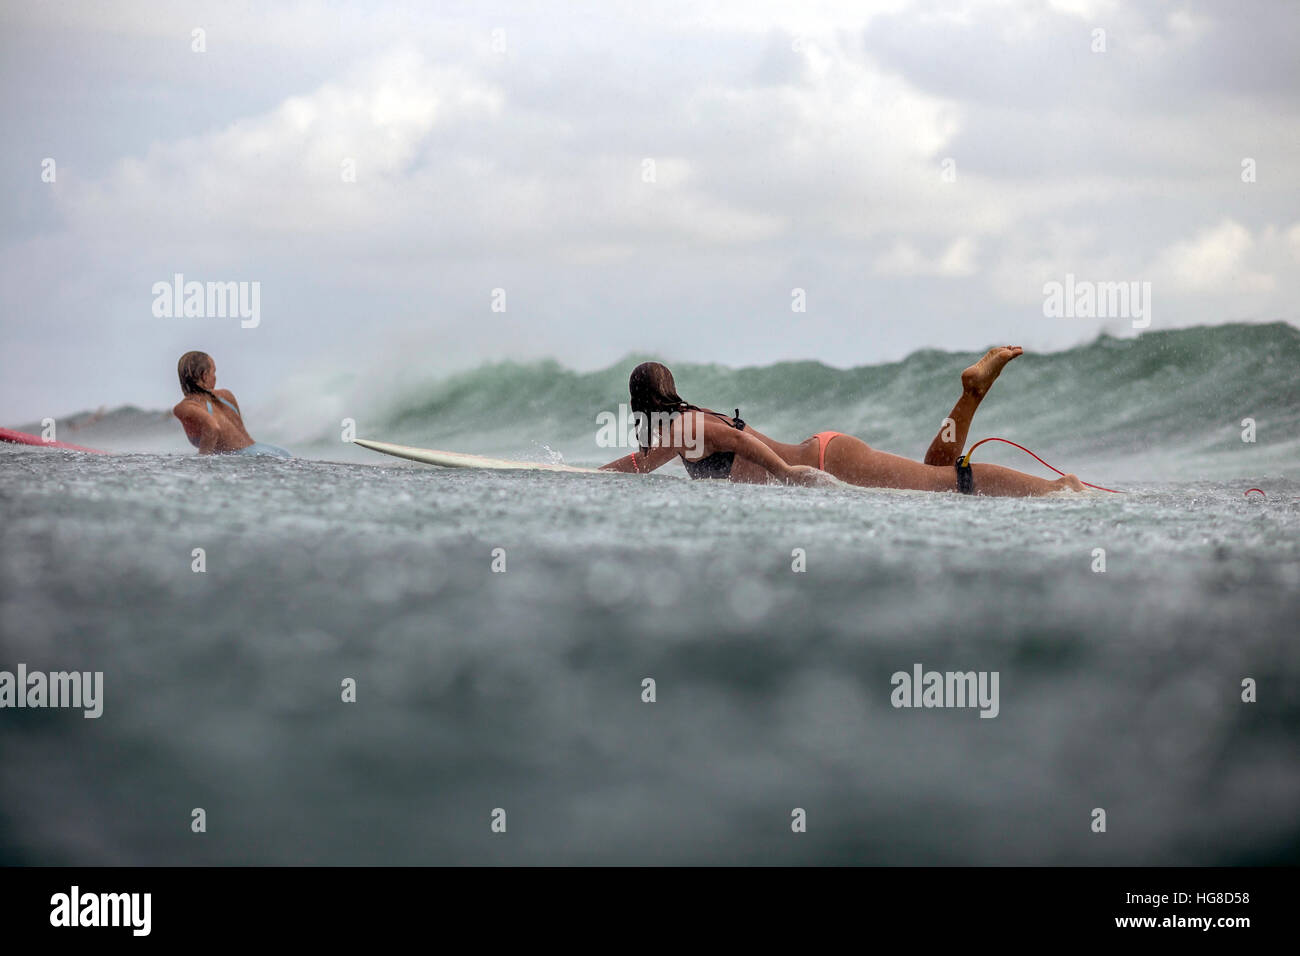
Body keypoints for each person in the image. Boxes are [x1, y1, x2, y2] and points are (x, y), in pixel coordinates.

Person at [600, 350, 1084, 496]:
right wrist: (586, 476)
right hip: (828, 449)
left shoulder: (687, 428)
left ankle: (1056, 488)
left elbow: (731, 440)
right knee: (937, 478)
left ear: (638, 400)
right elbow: (642, 464)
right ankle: (970, 394)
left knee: (949, 485)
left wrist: (789, 475)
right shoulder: (685, 423)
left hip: (828, 460)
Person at [172, 351, 291, 457]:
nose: (215, 377)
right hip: (270, 451)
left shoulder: (184, 407)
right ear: (205, 376)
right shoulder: (226, 395)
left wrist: (202, 460)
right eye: (214, 372)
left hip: (248, 458)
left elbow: (212, 428)